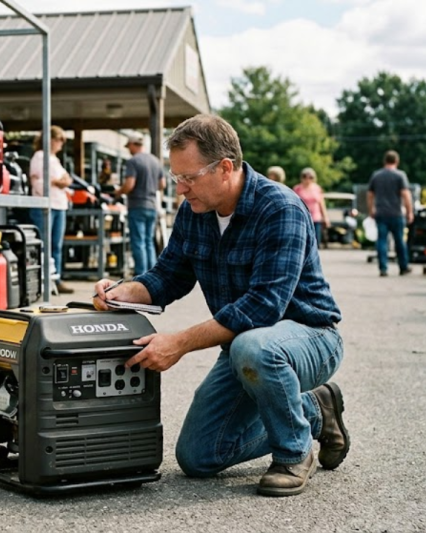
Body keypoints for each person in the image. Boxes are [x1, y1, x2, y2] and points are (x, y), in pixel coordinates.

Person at [93, 114, 348, 497]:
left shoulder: (281, 208)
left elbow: (263, 307)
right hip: (247, 348)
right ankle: (315, 409)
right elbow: (167, 277)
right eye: (176, 177)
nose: (180, 188)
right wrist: (121, 291)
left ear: (225, 168)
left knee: (253, 345)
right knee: (198, 457)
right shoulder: (194, 212)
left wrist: (178, 343)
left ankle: (294, 451)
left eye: (189, 177)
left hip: (309, 339)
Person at [28, 126, 74, 294]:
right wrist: (56, 182)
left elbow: (66, 178)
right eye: (58, 140)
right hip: (45, 205)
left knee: (56, 244)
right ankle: (43, 279)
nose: (60, 144)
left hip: (59, 204)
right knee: (45, 244)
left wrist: (60, 181)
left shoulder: (54, 158)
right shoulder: (39, 157)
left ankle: (56, 278)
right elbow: (37, 181)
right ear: (50, 140)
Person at [113, 133, 165, 276]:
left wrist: (118, 192)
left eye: (128, 146)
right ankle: (154, 274)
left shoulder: (133, 161)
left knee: (138, 241)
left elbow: (130, 184)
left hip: (137, 205)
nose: (128, 149)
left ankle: (141, 274)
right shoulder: (156, 161)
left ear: (133, 144)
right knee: (149, 241)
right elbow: (162, 184)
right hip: (152, 205)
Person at [367, 150, 415, 276]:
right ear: (397, 161)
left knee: (382, 240)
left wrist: (371, 209)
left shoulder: (376, 175)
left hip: (381, 213)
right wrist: (409, 212)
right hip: (396, 213)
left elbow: (370, 194)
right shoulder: (400, 175)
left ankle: (383, 268)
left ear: (385, 161)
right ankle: (403, 267)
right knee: (399, 241)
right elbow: (406, 195)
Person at [293, 167, 330, 248]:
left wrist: (325, 217)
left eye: (310, 177)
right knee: (303, 240)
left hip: (316, 218)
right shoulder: (297, 189)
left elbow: (321, 203)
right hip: (302, 217)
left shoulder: (317, 188)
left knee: (315, 241)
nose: (307, 179)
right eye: (305, 176)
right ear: (302, 177)